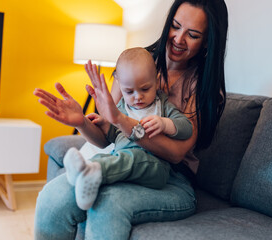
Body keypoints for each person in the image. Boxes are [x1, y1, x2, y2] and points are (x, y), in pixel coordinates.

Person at [34, 0, 228, 239]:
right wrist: (81, 122)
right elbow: (108, 138)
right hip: (119, 158)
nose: (178, 39)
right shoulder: (133, 66)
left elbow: (177, 152)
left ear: (208, 40)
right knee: (53, 197)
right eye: (175, 26)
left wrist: (121, 120)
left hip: (170, 178)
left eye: (193, 35)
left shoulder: (202, 87)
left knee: (106, 204)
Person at [63, 47, 193, 210]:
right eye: (129, 91)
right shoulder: (121, 108)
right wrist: (103, 124)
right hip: (121, 157)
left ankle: (93, 172)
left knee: (133, 159)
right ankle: (84, 172)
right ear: (121, 86)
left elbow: (187, 128)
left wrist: (165, 124)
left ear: (156, 80)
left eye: (145, 89)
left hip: (154, 166)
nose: (138, 96)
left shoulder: (162, 105)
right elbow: (114, 137)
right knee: (107, 159)